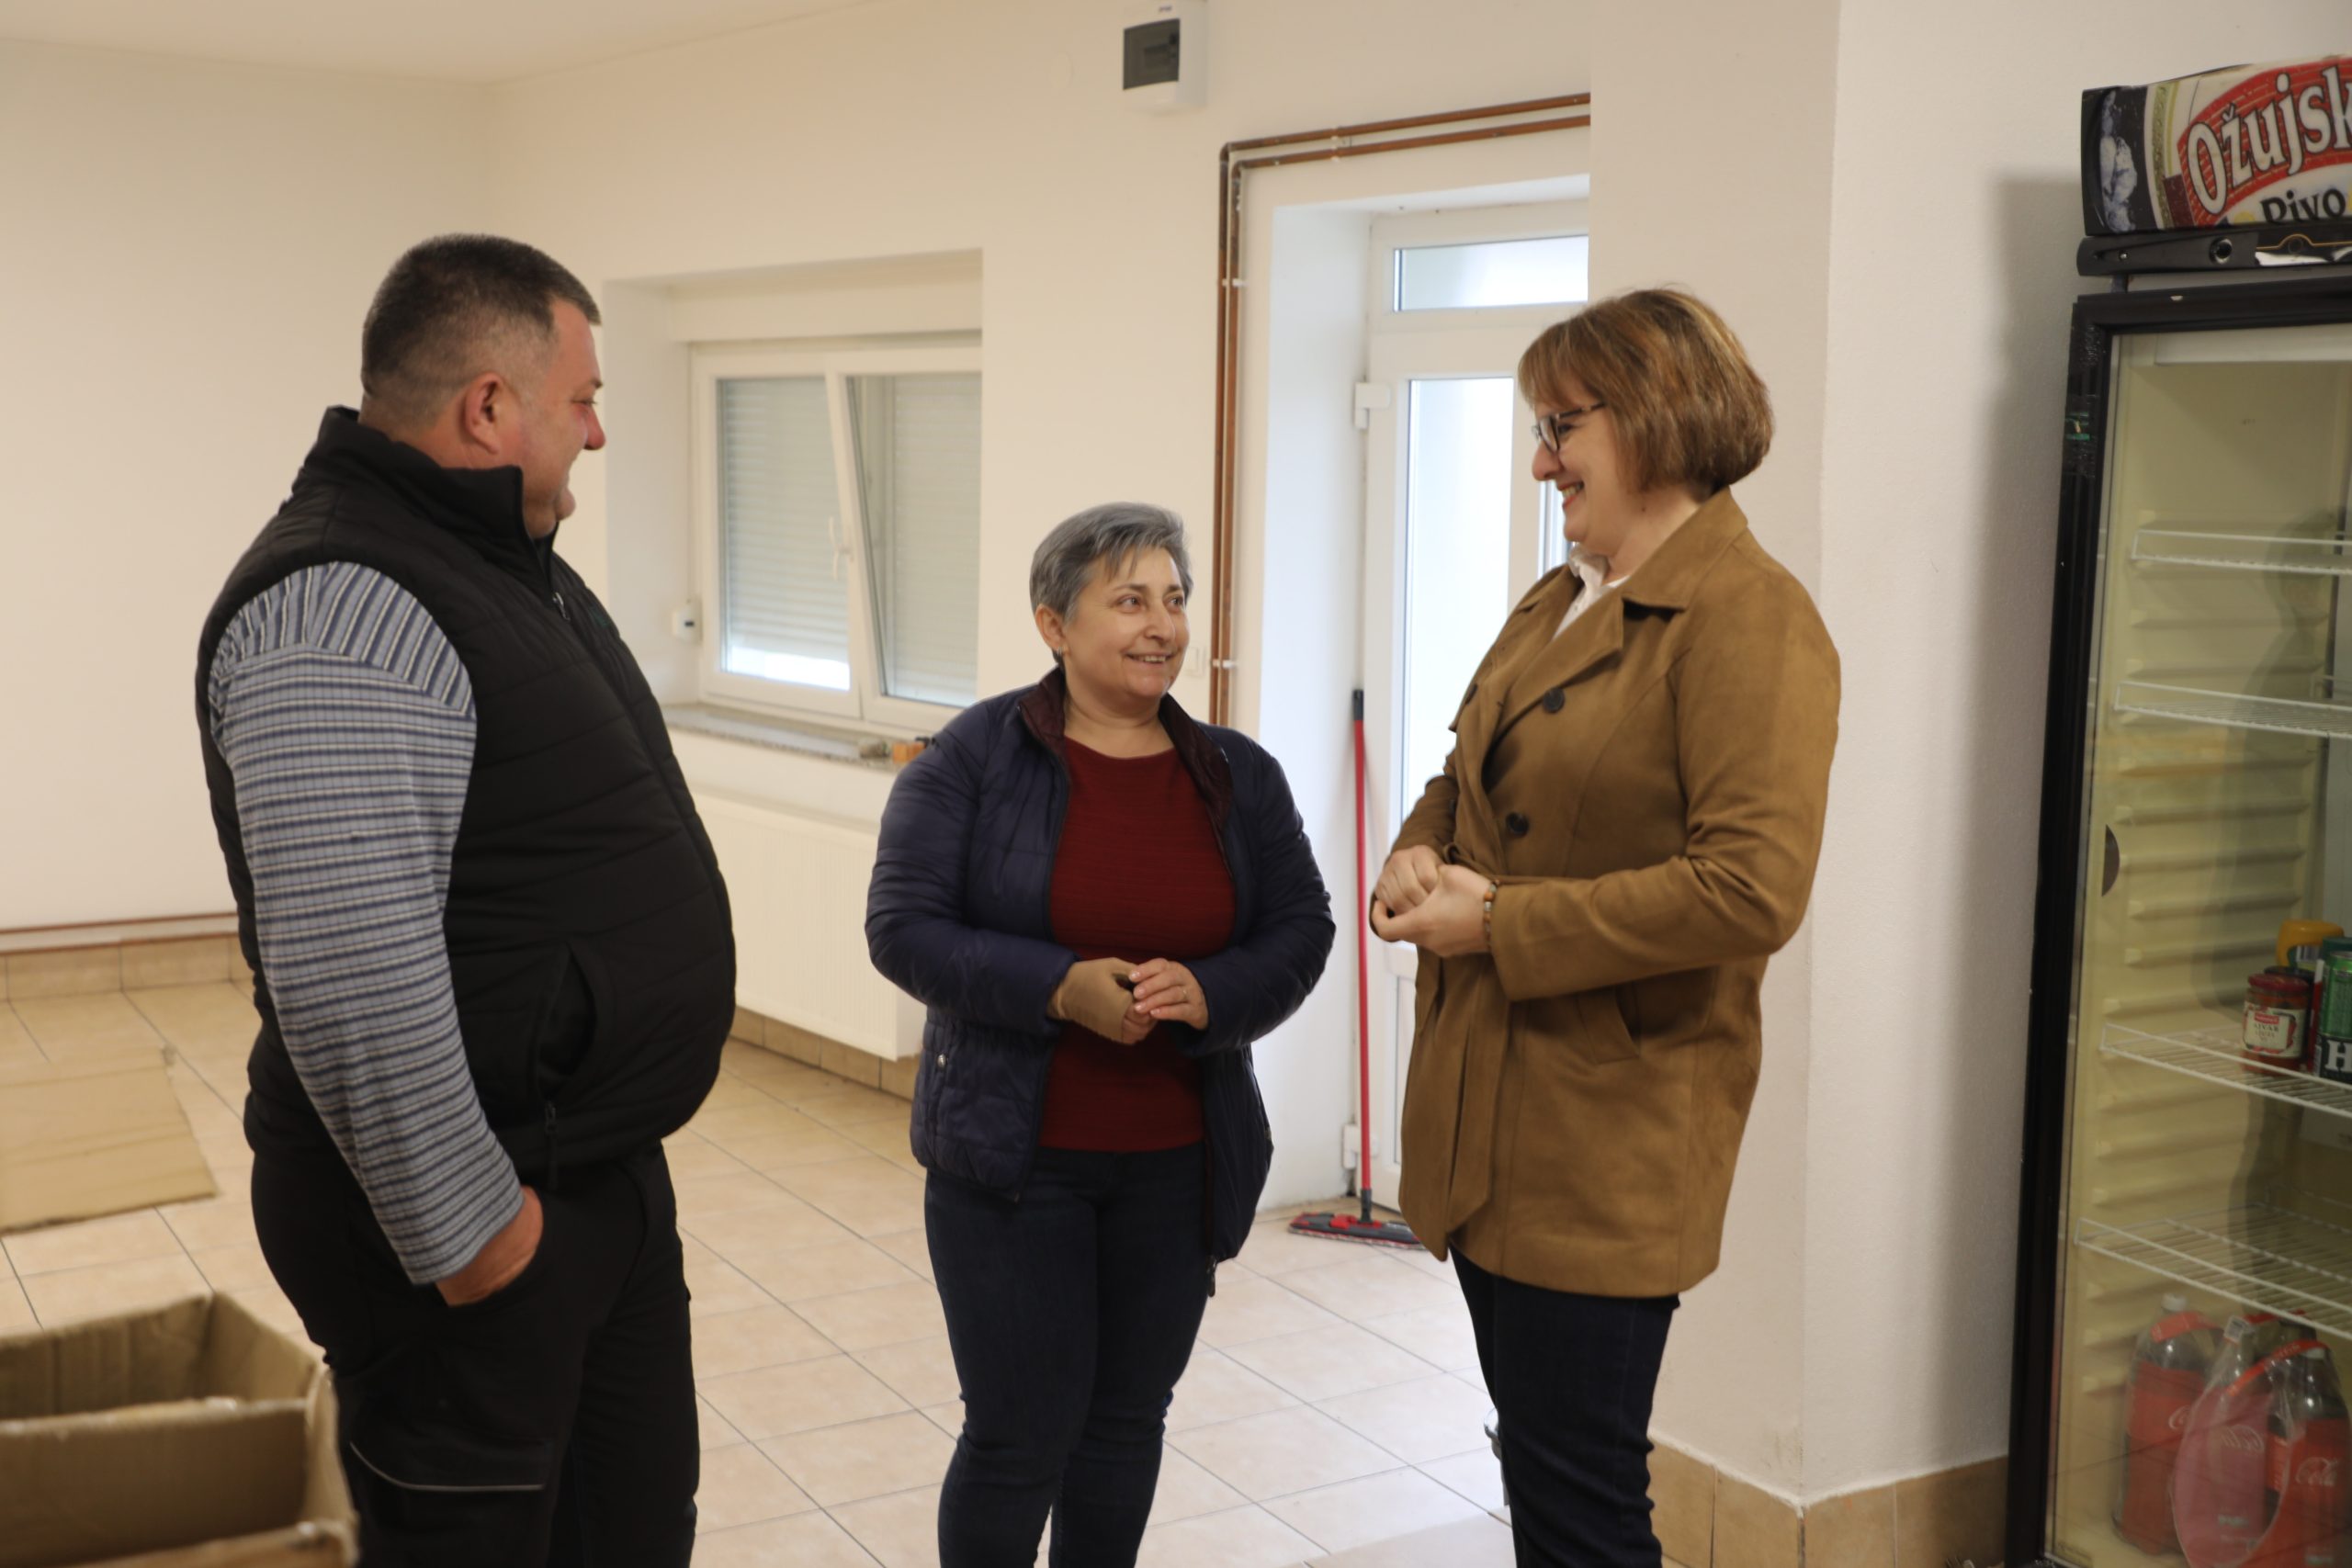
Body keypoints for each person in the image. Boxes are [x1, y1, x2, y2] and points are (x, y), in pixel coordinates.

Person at [195, 234, 736, 1567]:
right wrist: (481, 1243)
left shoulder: (496, 561)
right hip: (470, 1224)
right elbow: (350, 981)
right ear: (489, 406)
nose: (597, 431)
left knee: (627, 1529)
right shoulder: (340, 607)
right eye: (582, 399)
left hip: (584, 1168)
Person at [1371, 288, 1839, 1568]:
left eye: (1561, 427)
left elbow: (1751, 888)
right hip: (1485, 1114)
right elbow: (1469, 772)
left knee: (1580, 1505)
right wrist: (1419, 850)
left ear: (1655, 418)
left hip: (1604, 1138)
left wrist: (1498, 919)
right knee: (1541, 1471)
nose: (1541, 462)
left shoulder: (1751, 618)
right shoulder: (1563, 596)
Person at [865, 502, 1333, 1568]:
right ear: (1054, 625)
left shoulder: (1237, 774)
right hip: (1012, 1165)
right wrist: (1055, 988)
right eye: (1129, 601)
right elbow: (904, 929)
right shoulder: (970, 760)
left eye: (1174, 599)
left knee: (1125, 1425)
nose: (1161, 626)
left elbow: (1301, 926)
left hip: (1176, 1164)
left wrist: (1213, 991)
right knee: (1018, 1435)